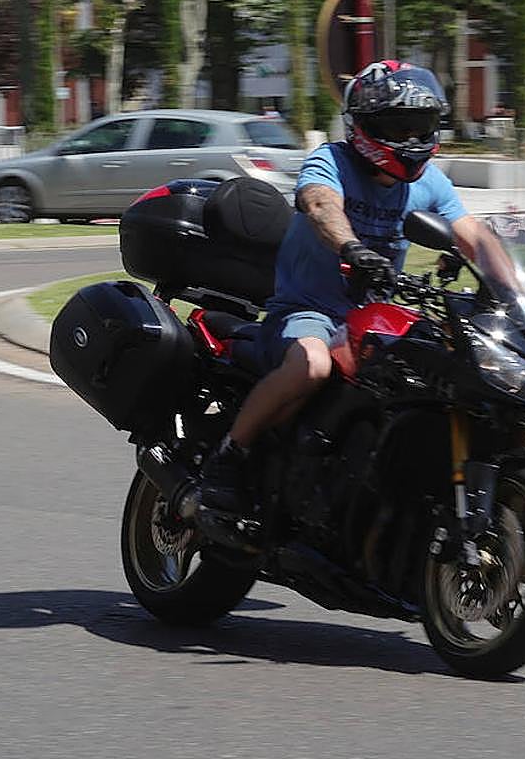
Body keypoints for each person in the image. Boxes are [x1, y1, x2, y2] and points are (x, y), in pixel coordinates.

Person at [198, 60, 504, 515]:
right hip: (308, 310)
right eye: (399, 125)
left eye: (421, 125)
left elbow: (472, 232)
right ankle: (230, 456)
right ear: (365, 126)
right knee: (314, 367)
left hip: (372, 318)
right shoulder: (331, 161)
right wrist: (352, 248)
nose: (413, 138)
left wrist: (513, 289)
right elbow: (321, 205)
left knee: (434, 376)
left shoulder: (430, 183)